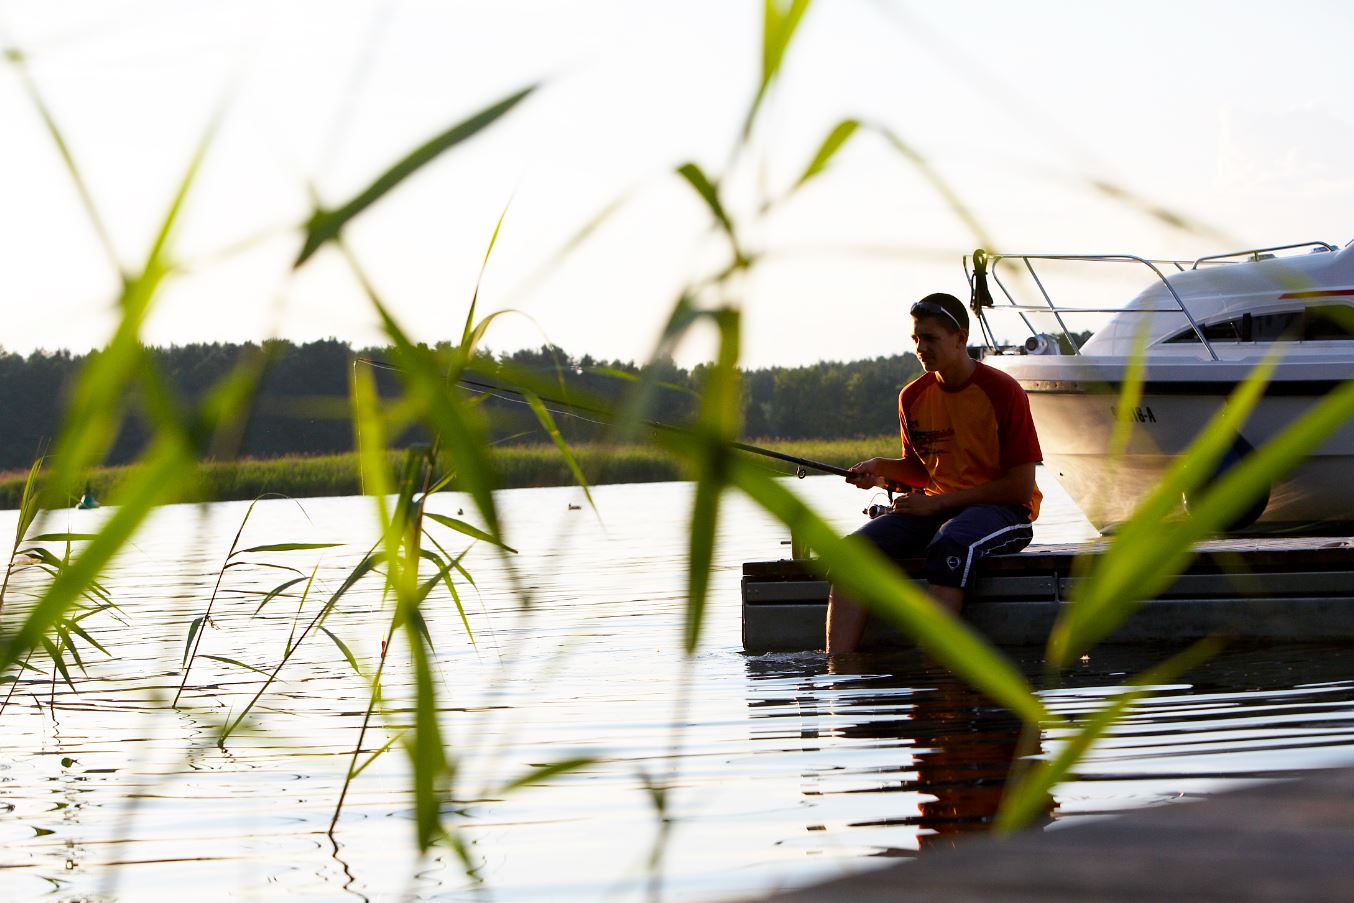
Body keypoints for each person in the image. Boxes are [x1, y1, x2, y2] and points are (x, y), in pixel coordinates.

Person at [825, 292, 1043, 654]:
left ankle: (933, 674)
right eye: (915, 339)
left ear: (961, 338)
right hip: (940, 508)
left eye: (930, 338)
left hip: (1005, 510)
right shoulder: (912, 397)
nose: (921, 348)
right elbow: (920, 470)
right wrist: (880, 470)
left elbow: (1020, 487)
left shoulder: (1004, 392)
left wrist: (938, 505)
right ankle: (838, 670)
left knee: (951, 543)